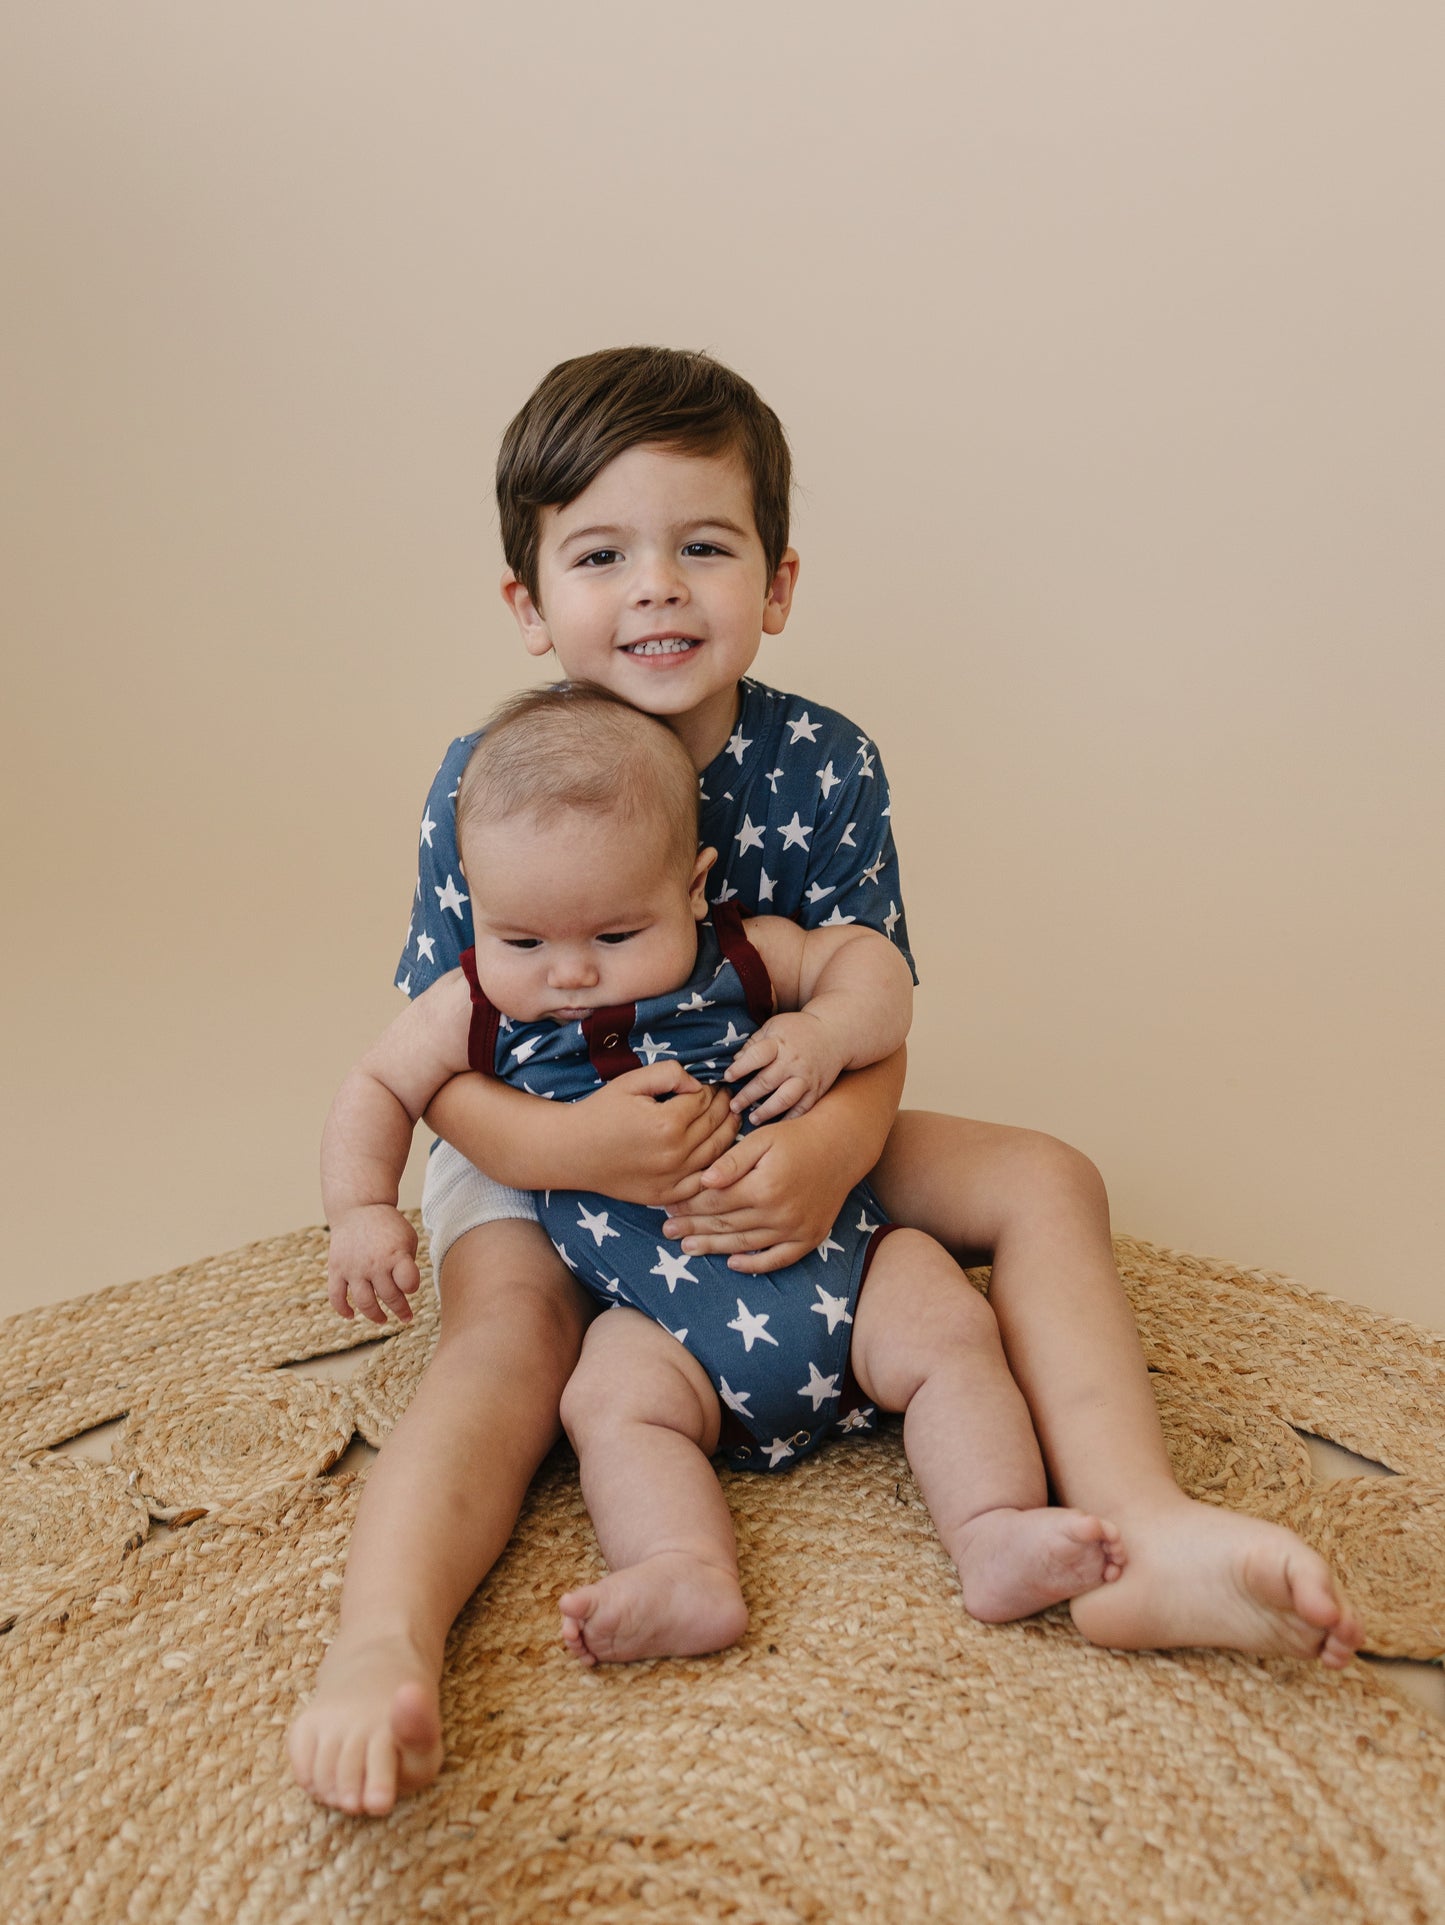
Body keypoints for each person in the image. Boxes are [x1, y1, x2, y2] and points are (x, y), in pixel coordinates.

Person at [289, 345, 1360, 1819]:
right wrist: (574, 1146)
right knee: (504, 1347)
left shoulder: (822, 766)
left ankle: (1140, 1523)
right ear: (529, 605)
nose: (657, 587)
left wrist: (826, 1148)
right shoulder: (488, 773)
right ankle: (380, 1638)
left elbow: (870, 1000)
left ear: (776, 584)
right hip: (544, 1138)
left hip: (777, 1113)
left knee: (1047, 1174)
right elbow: (435, 1055)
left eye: (702, 546)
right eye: (602, 554)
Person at [319, 683, 1129, 1674]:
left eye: (614, 935)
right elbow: (379, 1082)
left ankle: (992, 1524)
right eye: (521, 940)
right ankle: (682, 1565)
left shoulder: (738, 953)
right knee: (606, 1398)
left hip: (844, 1267)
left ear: (693, 888)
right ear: (480, 914)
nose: (568, 971)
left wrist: (824, 1029)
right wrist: (360, 1207)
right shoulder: (475, 1006)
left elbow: (868, 966)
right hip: (657, 1322)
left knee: (944, 1319)